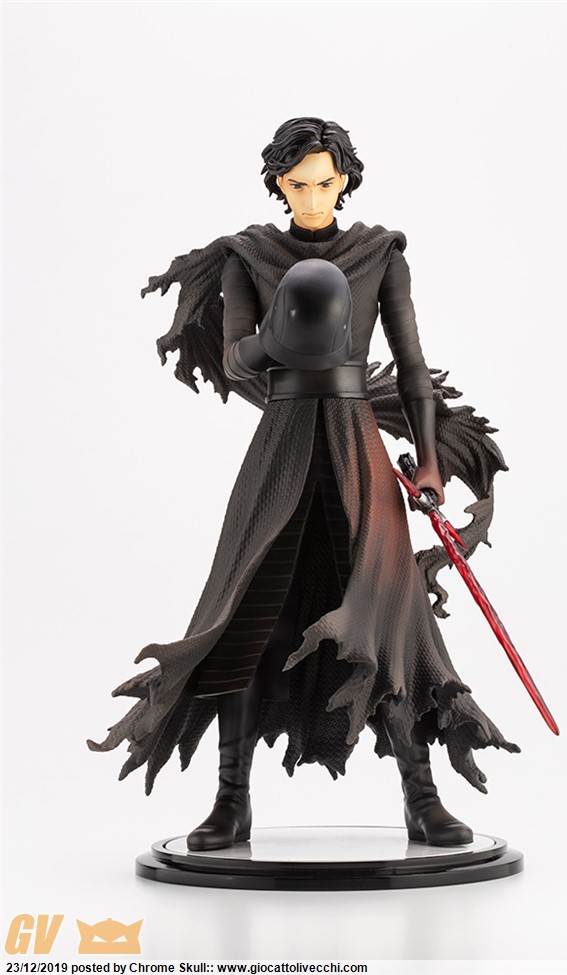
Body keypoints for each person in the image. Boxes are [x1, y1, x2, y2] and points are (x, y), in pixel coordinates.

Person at [89, 117, 519, 851]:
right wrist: (279, 338)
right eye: (298, 185)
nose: (313, 198)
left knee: (386, 611)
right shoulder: (250, 255)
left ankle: (421, 796)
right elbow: (235, 358)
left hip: (357, 447)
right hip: (282, 445)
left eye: (325, 183)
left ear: (344, 180)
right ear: (279, 185)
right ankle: (231, 799)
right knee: (244, 614)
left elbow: (413, 366)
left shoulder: (379, 254)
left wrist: (428, 460)